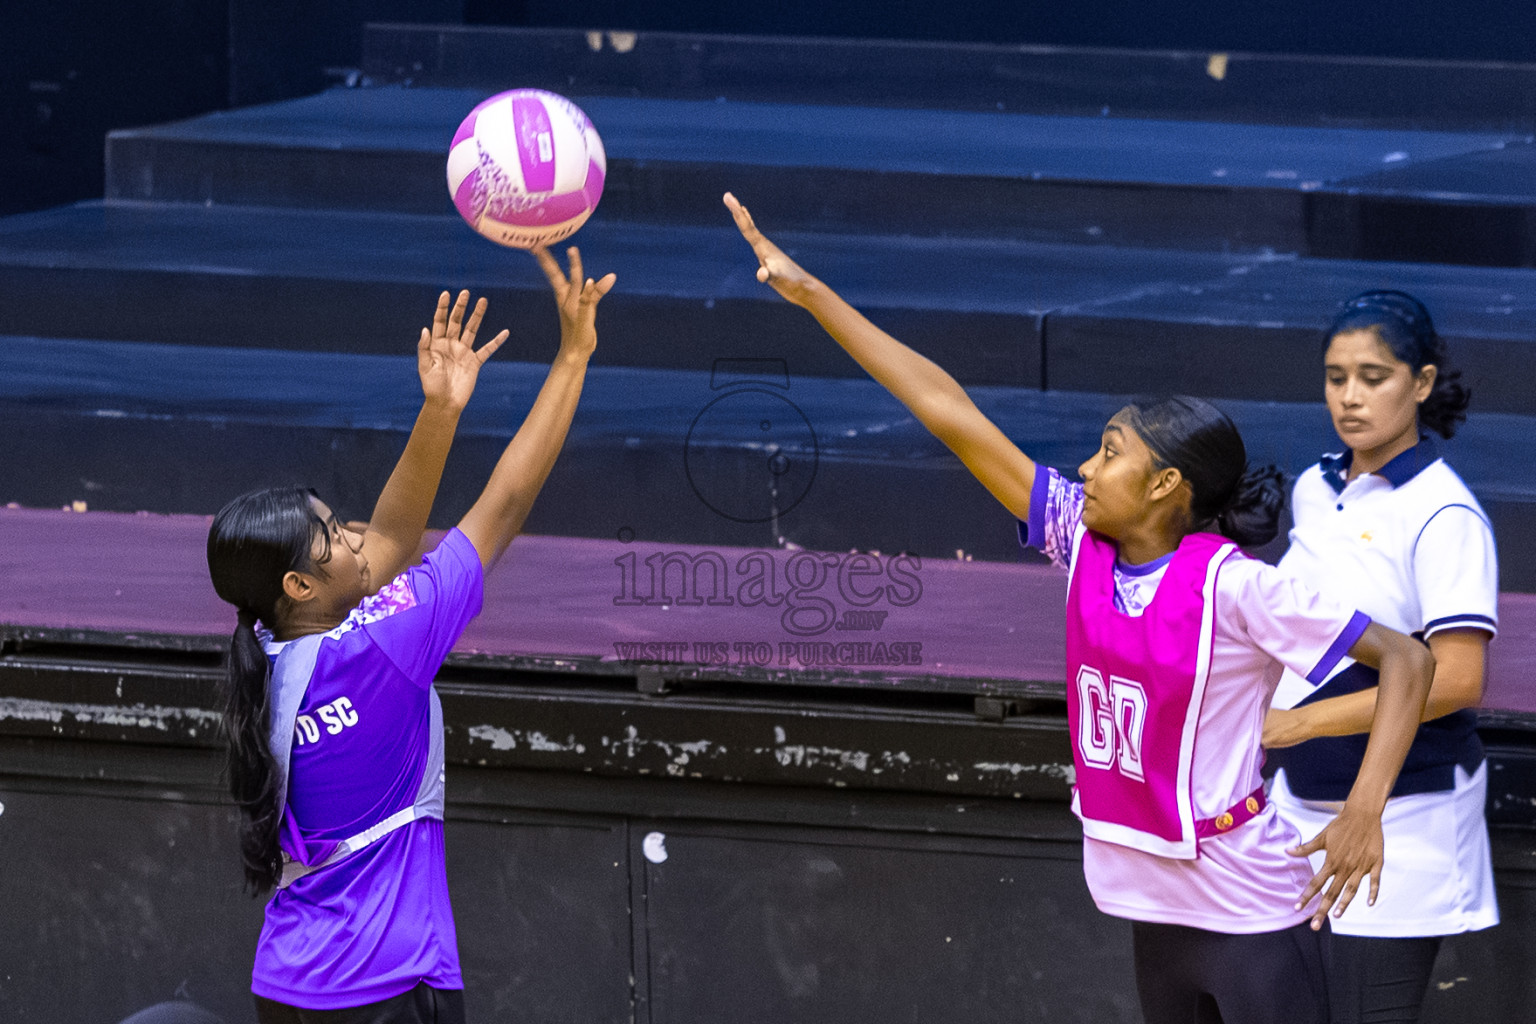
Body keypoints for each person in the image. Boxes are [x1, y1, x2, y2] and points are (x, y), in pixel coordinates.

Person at [723, 193, 1435, 1024]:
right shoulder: (1078, 544)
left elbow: (1410, 661)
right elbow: (950, 413)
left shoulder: (1240, 586)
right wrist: (813, 295)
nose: (1087, 470)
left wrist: (1362, 809)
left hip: (1253, 915)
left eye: (1111, 453)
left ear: (1167, 485)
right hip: (1154, 913)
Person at [206, 247, 615, 1024]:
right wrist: (573, 354)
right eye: (336, 536)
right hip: (392, 988)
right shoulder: (388, 647)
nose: (359, 538)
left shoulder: (265, 655)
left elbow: (386, 547)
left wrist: (441, 410)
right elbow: (510, 496)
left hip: (288, 985)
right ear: (299, 585)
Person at [1264, 290, 1498, 1023]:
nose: (1351, 397)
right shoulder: (1313, 489)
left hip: (1403, 819)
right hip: (1294, 812)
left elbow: (1457, 678)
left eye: (1374, 376)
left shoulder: (1445, 513)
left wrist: (1302, 725)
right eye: (1337, 378)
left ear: (1421, 383)